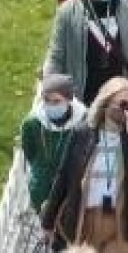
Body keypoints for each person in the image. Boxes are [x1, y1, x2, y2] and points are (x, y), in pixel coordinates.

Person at [40, 77, 128, 252]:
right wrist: (48, 221)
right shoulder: (83, 133)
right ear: (106, 103)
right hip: (86, 219)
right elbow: (64, 177)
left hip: (122, 221)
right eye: (123, 104)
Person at [22, 74, 88, 212]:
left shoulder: (84, 122)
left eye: (57, 101)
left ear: (69, 100)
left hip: (73, 185)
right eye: (47, 100)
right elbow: (29, 151)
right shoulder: (32, 123)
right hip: (42, 186)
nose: (51, 105)